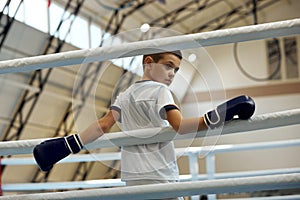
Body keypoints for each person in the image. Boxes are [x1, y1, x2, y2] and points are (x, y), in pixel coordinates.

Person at [33, 50, 255, 199]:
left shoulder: (125, 94)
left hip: (132, 176)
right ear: (148, 63)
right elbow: (180, 126)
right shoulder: (160, 91)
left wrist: (63, 147)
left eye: (176, 70)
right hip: (161, 173)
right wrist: (220, 115)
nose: (172, 74)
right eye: (169, 66)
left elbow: (103, 125)